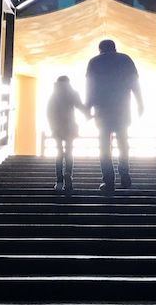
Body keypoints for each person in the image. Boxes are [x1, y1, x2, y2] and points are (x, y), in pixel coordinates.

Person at [85, 39, 144, 192]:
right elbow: (134, 84)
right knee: (123, 143)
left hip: (102, 111)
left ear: (100, 49)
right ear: (114, 48)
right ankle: (125, 176)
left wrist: (87, 107)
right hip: (122, 109)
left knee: (104, 146)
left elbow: (90, 87)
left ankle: (108, 181)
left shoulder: (94, 62)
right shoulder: (125, 59)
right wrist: (140, 104)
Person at [46, 75, 87, 192]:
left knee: (59, 154)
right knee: (69, 153)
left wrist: (53, 127)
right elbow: (80, 107)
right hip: (69, 128)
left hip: (57, 128)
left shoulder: (54, 95)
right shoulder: (72, 93)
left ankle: (59, 181)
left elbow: (49, 112)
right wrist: (90, 114)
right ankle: (68, 173)